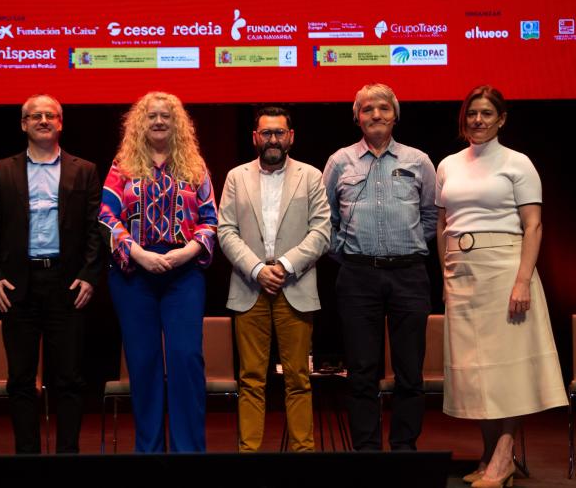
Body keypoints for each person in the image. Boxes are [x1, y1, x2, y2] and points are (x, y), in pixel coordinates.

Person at [436, 85, 567, 487]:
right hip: (462, 272)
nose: (478, 120)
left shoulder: (518, 163)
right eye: (472, 113)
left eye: (486, 114)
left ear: (501, 119)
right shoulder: (448, 165)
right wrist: (446, 275)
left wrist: (523, 280)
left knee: (506, 370)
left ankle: (503, 458)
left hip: (505, 268)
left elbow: (533, 225)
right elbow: (442, 225)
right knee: (478, 372)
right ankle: (490, 455)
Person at [99, 91, 217, 453]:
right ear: (140, 122)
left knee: (185, 359)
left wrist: (186, 253)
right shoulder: (123, 165)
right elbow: (106, 217)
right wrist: (137, 254)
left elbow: (211, 221)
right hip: (134, 273)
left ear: (177, 123)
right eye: (152, 116)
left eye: (166, 115)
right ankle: (148, 453)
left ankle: (189, 451)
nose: (159, 121)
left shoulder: (195, 166)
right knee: (144, 361)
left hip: (183, 272)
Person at [0, 94, 102, 454]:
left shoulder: (84, 169)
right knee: (20, 380)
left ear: (60, 123)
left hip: (66, 284)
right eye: (34, 115)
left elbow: (96, 229)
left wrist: (89, 275)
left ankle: (68, 457)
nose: (43, 120)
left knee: (69, 379)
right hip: (17, 285)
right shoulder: (2, 169)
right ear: (23, 124)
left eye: (50, 115)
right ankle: (28, 458)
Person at [323, 83, 437, 451]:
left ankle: (404, 450)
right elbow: (325, 220)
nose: (376, 115)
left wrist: (409, 246)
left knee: (409, 372)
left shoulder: (418, 160)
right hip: (357, 276)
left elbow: (432, 215)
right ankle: (367, 452)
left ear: (395, 115)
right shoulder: (340, 161)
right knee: (361, 372)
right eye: (368, 109)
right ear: (357, 116)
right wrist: (346, 251)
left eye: (384, 108)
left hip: (409, 275)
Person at [218, 106, 330, 452]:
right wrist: (256, 269)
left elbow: (322, 230)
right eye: (266, 133)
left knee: (298, 379)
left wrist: (283, 265)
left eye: (279, 133)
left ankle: (302, 459)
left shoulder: (310, 176)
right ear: (255, 137)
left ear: (291, 137)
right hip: (249, 286)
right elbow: (226, 230)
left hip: (293, 285)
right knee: (250, 380)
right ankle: (249, 457)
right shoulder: (236, 177)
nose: (273, 139)